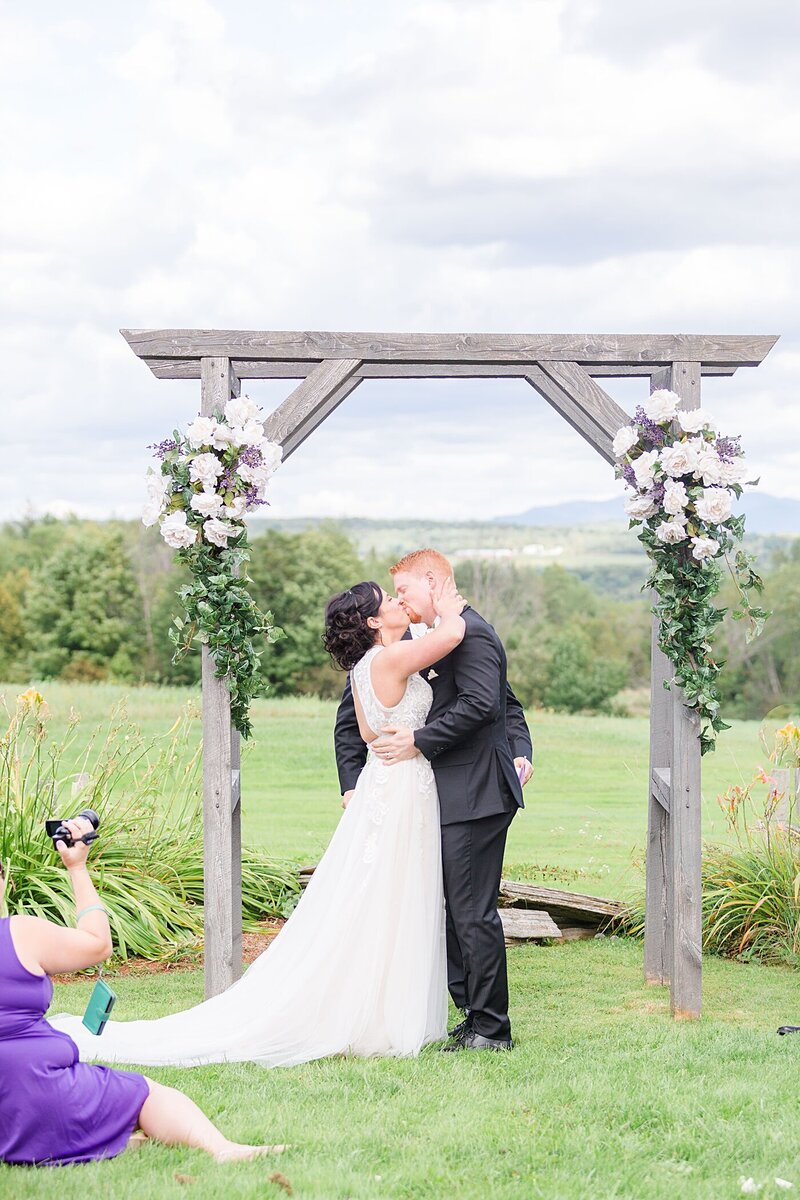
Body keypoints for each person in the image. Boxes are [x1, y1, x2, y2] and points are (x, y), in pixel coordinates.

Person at [52, 577, 467, 1068]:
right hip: (401, 786)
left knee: (381, 894)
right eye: (390, 600)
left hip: (387, 781)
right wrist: (448, 604)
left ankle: (379, 1009)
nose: (400, 602)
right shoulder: (394, 657)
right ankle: (382, 1016)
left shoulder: (363, 669)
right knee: (394, 893)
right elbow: (455, 633)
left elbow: (368, 731)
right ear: (375, 622)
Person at [335, 549, 533, 1052]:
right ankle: (471, 1013)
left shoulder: (471, 632)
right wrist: (359, 778)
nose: (399, 598)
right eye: (393, 595)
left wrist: (421, 742)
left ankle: (491, 1028)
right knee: (450, 910)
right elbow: (357, 724)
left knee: (471, 912)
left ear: (432, 582)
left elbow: (490, 703)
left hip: (476, 793)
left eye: (403, 589)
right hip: (435, 791)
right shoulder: (423, 641)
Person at [0, 818, 285, 1166]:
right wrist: (77, 867)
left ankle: (108, 1139)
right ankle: (222, 1149)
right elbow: (97, 943)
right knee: (146, 1094)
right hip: (42, 1085)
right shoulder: (19, 934)